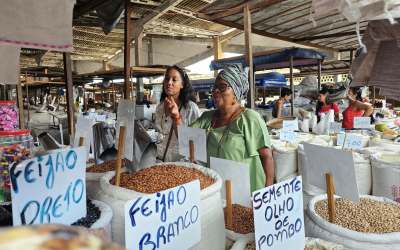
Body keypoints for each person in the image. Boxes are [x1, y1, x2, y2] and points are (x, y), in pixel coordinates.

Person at [168, 64, 274, 192]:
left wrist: (267, 193)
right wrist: (176, 117)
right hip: (217, 191)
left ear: (236, 90)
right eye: (214, 88)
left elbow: (266, 157)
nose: (216, 91)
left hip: (247, 193)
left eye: (222, 87)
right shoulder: (207, 118)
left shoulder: (250, 119)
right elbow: (185, 140)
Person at [155, 65, 200, 162]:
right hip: (161, 162)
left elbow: (195, 144)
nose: (169, 83)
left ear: (182, 85)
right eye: (167, 79)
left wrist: (176, 117)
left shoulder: (191, 109)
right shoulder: (160, 108)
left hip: (182, 165)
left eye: (174, 80)